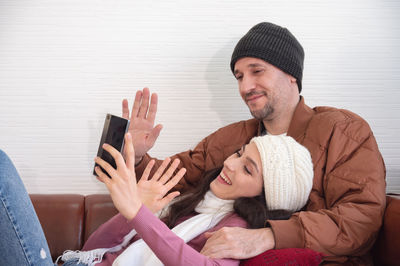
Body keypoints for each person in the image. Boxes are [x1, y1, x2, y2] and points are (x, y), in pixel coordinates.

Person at [125, 22, 386, 264]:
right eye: (239, 77)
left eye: (257, 71)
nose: (245, 87)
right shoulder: (231, 138)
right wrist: (135, 157)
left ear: (292, 74)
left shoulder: (342, 130)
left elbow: (361, 219)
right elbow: (173, 178)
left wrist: (268, 236)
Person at [0, 133, 313, 266]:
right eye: (240, 152)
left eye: (247, 168)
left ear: (265, 195)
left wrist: (139, 214)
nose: (230, 163)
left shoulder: (237, 228)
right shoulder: (197, 204)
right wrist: (135, 212)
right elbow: (90, 251)